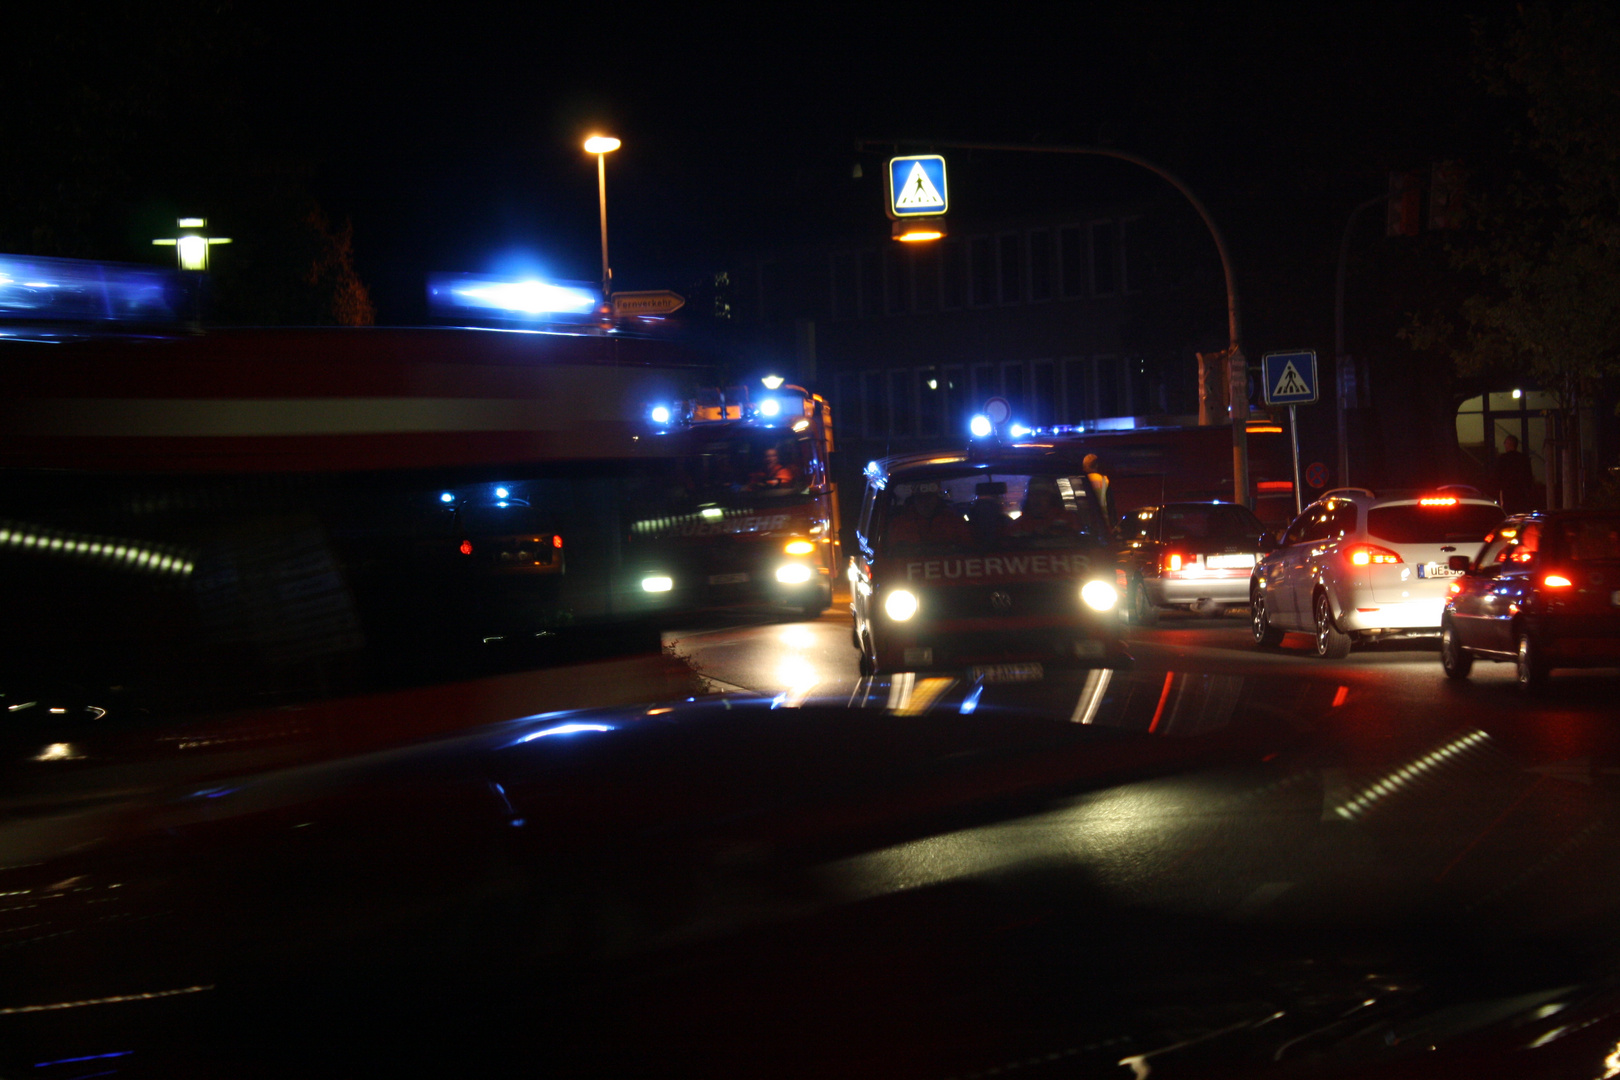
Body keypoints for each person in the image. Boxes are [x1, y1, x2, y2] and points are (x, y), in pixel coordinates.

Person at [888, 481, 970, 546]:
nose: (925, 502)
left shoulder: (954, 523)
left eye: (929, 497)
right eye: (921, 497)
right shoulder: (900, 525)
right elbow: (889, 554)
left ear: (936, 499)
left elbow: (969, 551)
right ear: (914, 499)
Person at [1492, 434, 1535, 513]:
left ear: (1509, 443)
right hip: (1521, 494)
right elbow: (1529, 477)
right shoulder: (1523, 459)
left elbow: (1497, 477)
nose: (1504, 445)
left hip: (1508, 494)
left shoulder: (1503, 459)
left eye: (1505, 443)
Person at [1083, 454, 1112, 532]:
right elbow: (1110, 502)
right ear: (1096, 465)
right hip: (1103, 520)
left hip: (1088, 520)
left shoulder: (1083, 480)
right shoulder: (1105, 480)